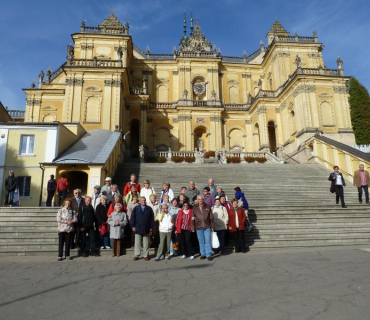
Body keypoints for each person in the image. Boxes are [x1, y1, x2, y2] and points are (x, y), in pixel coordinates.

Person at [130, 197, 154, 261]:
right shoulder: (136, 208)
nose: (143, 201)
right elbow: (132, 217)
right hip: (138, 228)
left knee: (146, 243)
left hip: (146, 228)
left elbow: (152, 219)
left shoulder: (149, 209)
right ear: (140, 201)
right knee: (137, 243)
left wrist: (151, 227)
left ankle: (145, 255)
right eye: (142, 200)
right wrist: (132, 226)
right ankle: (137, 255)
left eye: (144, 200)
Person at [192, 195, 215, 261]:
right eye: (199, 199)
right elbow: (192, 218)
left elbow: (211, 218)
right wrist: (193, 227)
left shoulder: (208, 206)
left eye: (201, 199)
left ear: (203, 199)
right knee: (201, 241)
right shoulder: (194, 207)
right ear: (197, 200)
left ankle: (209, 254)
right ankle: (203, 254)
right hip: (198, 226)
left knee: (207, 240)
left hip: (207, 226)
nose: (200, 200)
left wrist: (213, 226)